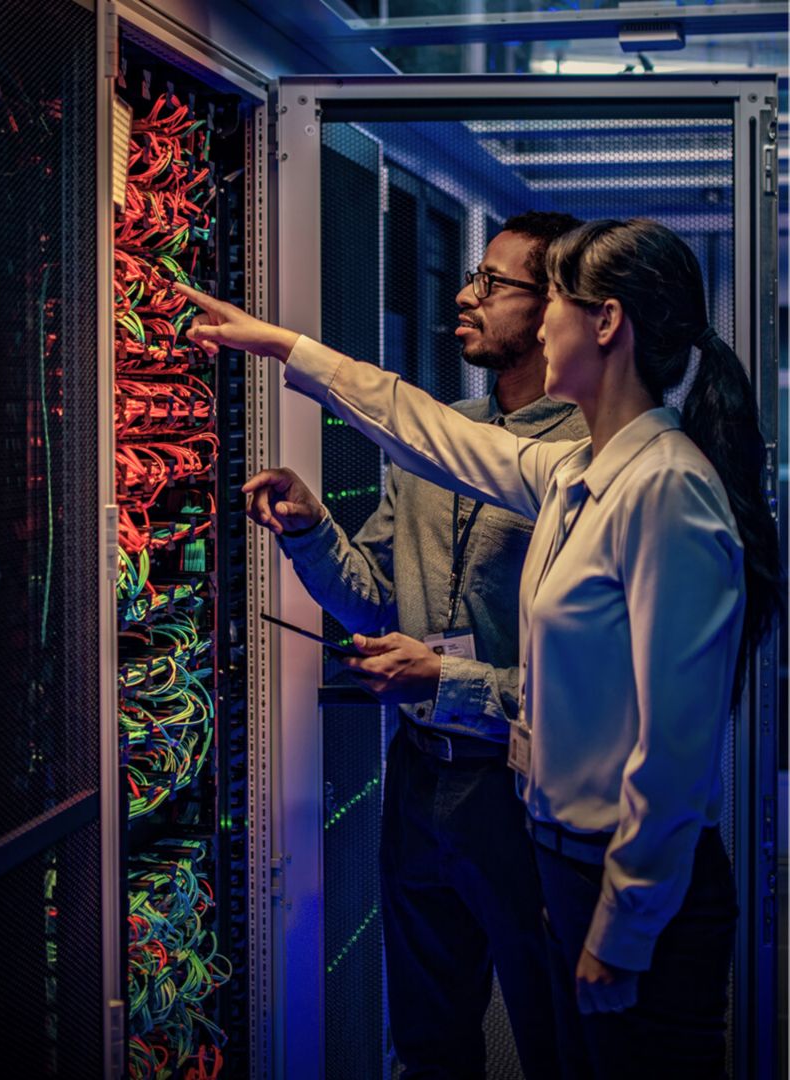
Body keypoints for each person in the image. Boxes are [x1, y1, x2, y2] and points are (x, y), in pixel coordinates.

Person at [176, 217, 782, 1079]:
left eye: (554, 304)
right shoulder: (579, 475)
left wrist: (623, 928)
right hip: (566, 862)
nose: (538, 327)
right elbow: (421, 427)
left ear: (605, 322)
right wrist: (282, 347)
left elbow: (676, 750)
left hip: (625, 883)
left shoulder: (666, 491)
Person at [241, 212, 585, 1080]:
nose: (465, 296)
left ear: (555, 310)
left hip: (525, 787)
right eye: (471, 276)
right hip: (421, 776)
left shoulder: (589, 462)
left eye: (494, 283)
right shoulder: (431, 443)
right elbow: (372, 604)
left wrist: (450, 676)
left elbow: (595, 688)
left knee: (556, 1036)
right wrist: (311, 529)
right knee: (428, 1041)